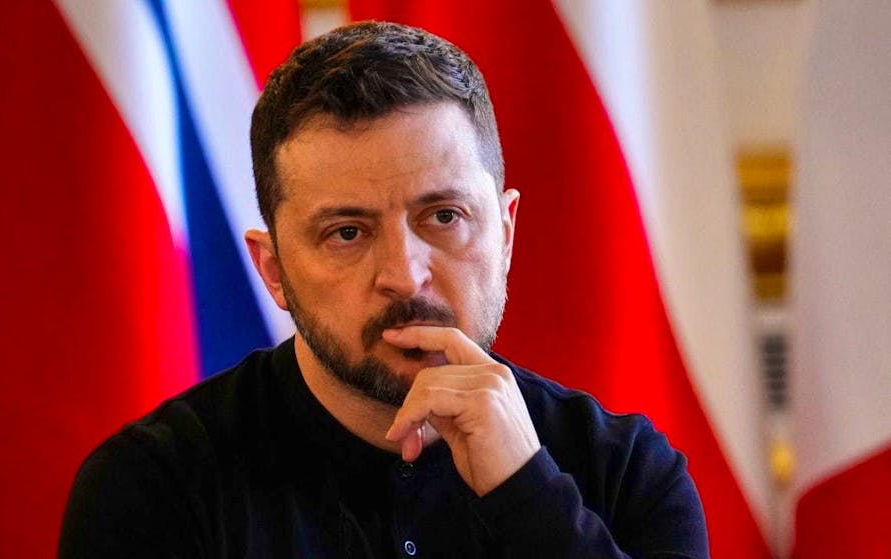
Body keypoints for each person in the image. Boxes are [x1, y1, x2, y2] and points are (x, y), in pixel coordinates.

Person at [59, 21, 708, 558]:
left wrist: (526, 494)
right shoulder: (152, 488)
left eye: (444, 217)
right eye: (347, 232)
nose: (404, 273)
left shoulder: (629, 477)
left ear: (505, 232)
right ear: (274, 269)